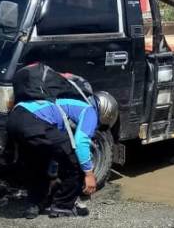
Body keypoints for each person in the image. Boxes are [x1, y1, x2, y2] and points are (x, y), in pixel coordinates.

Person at [7, 63, 117, 219]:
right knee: (76, 159)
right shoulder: (89, 110)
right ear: (106, 111)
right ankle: (63, 206)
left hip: (15, 118)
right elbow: (80, 142)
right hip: (35, 122)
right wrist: (89, 173)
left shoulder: (59, 98)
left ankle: (35, 204)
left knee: (37, 162)